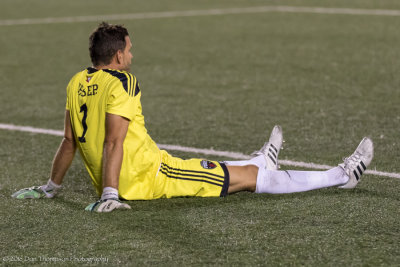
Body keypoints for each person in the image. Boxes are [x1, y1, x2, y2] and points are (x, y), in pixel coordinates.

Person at [12, 22, 374, 213]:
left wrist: (51, 188)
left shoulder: (77, 81)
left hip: (142, 172)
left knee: (228, 168)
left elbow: (69, 141)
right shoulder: (123, 81)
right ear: (118, 56)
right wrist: (110, 193)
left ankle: (261, 158)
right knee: (250, 180)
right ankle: (341, 175)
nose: (132, 55)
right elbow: (113, 140)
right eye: (130, 49)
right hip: (150, 177)